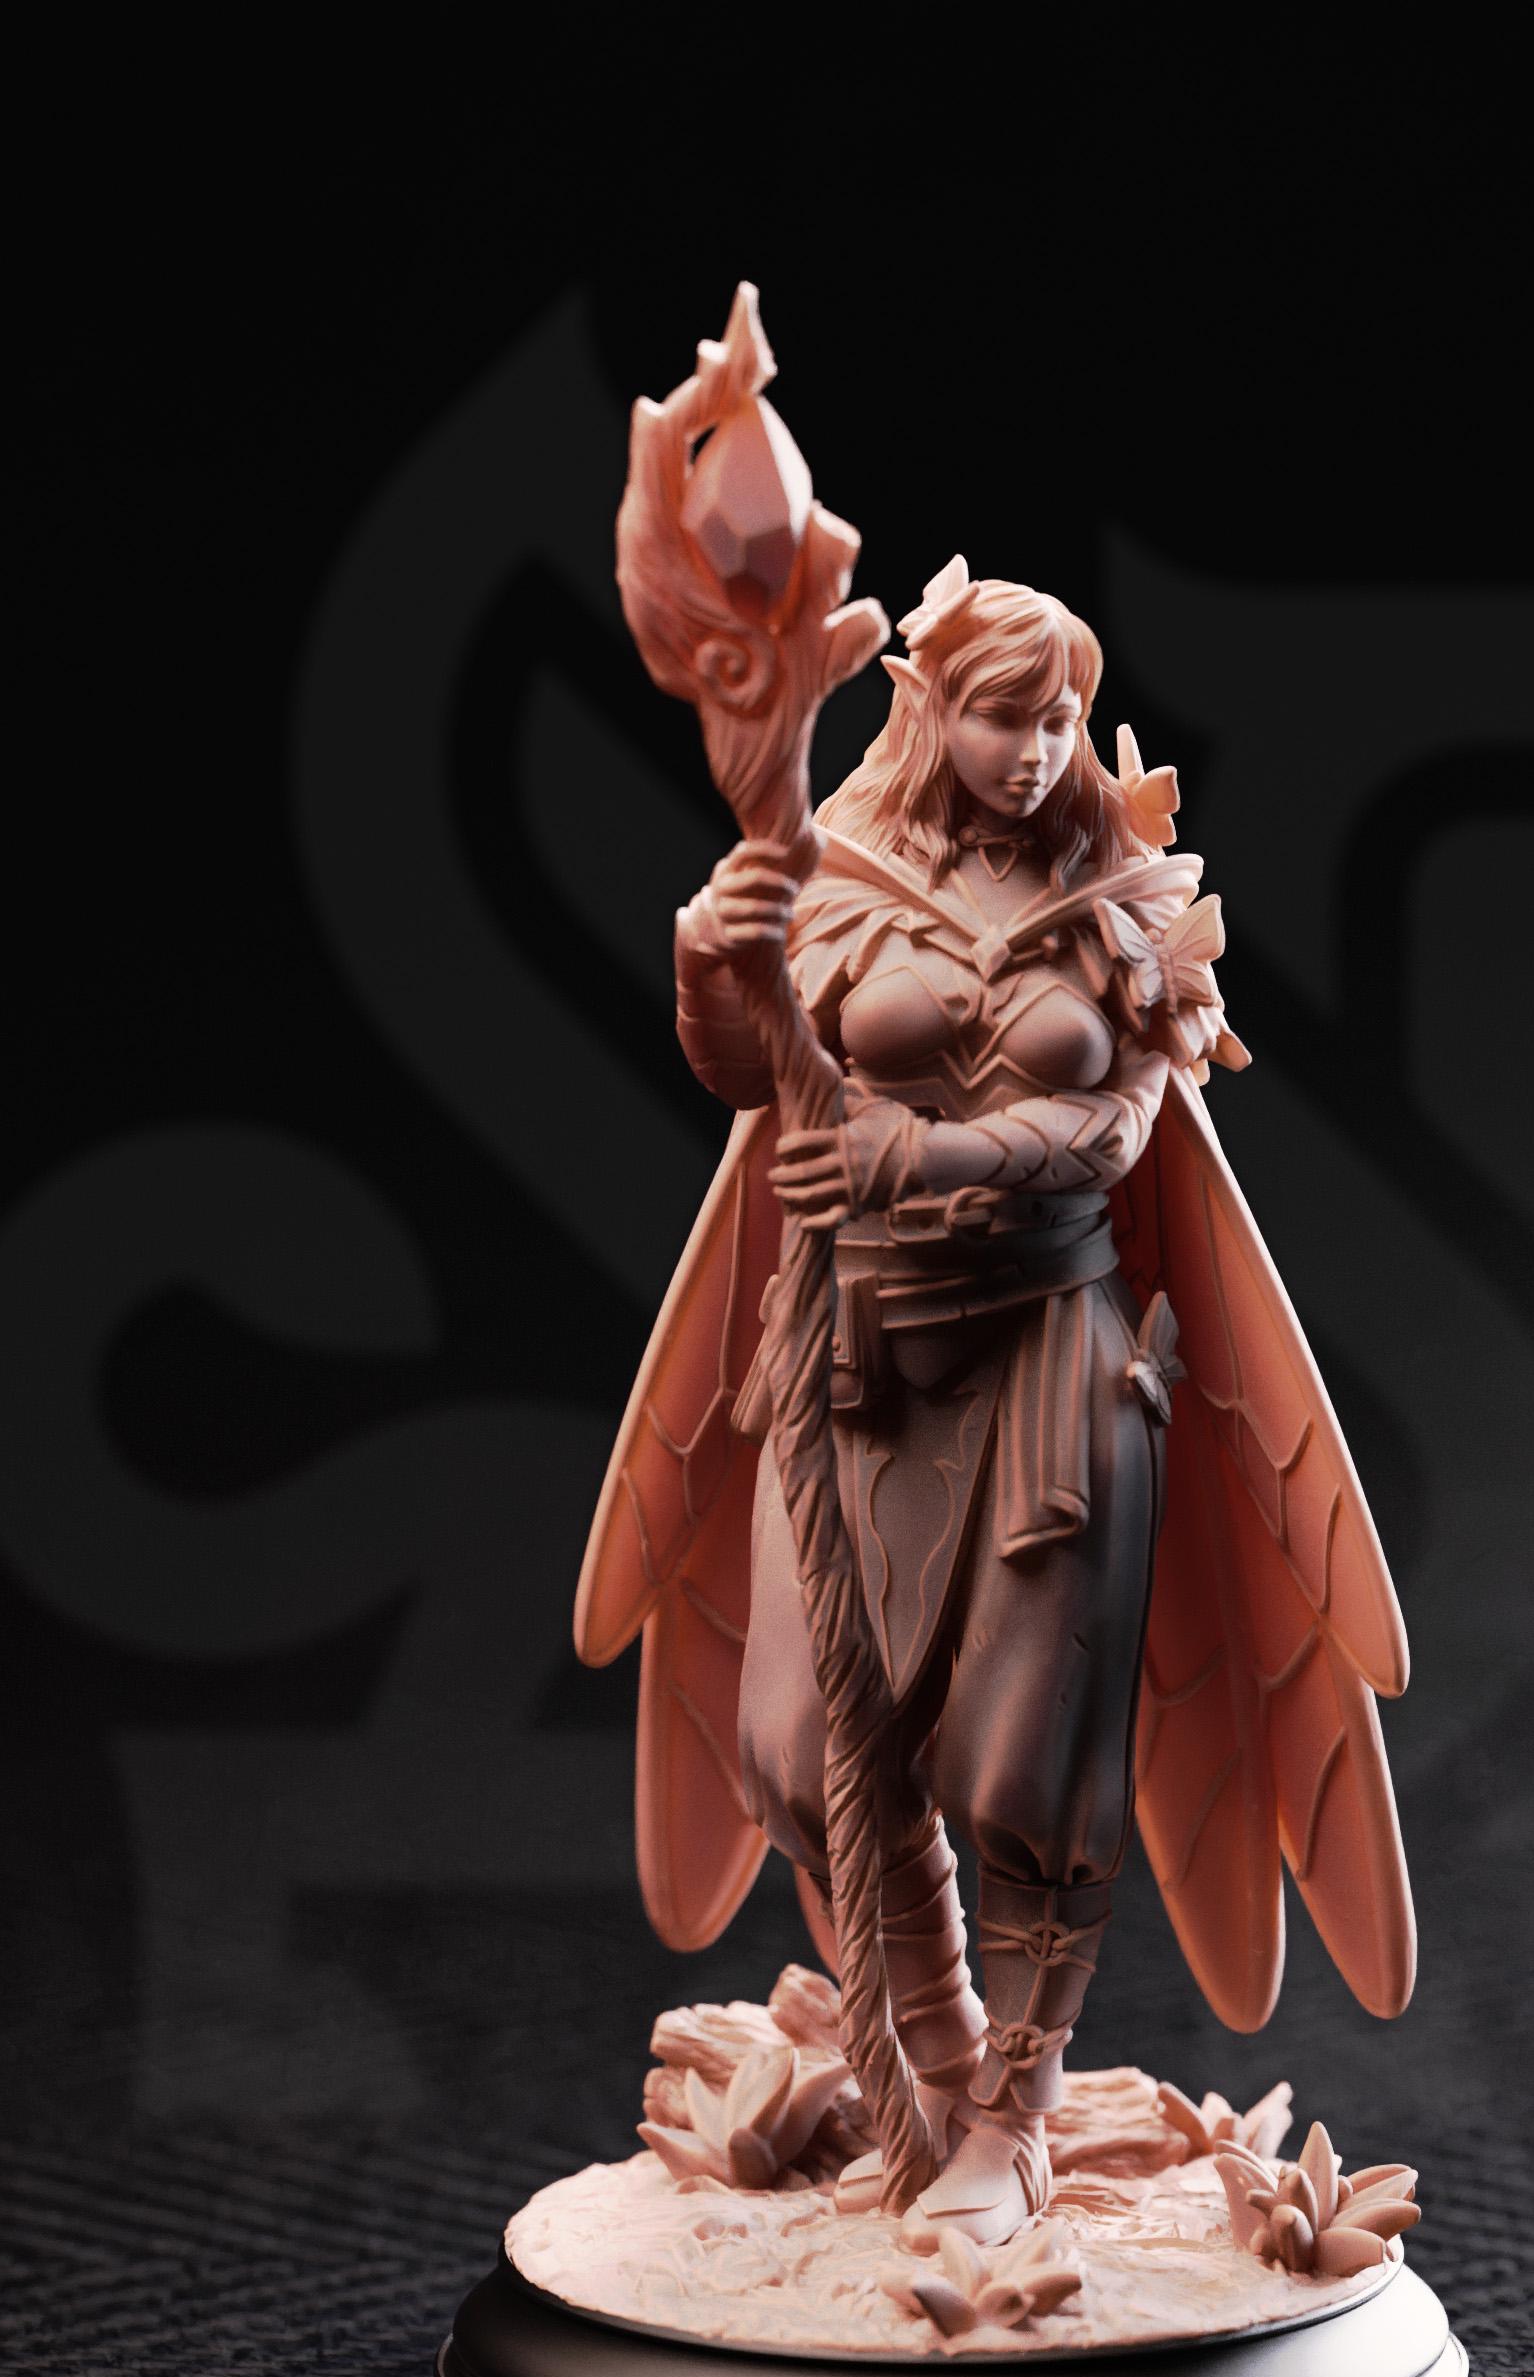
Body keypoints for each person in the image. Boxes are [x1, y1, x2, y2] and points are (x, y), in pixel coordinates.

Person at [578, 559, 1416, 2248]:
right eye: (999, 716)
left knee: (1026, 1769)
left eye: (1056, 719)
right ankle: (946, 2036)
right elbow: (746, 1071)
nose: (1033, 751)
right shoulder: (840, 868)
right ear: (929, 709)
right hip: (853, 1360)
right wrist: (706, 964)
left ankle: (1012, 2116)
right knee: (796, 1758)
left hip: (1052, 1363)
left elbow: (1122, 1125)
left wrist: (920, 1157)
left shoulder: (1119, 897)